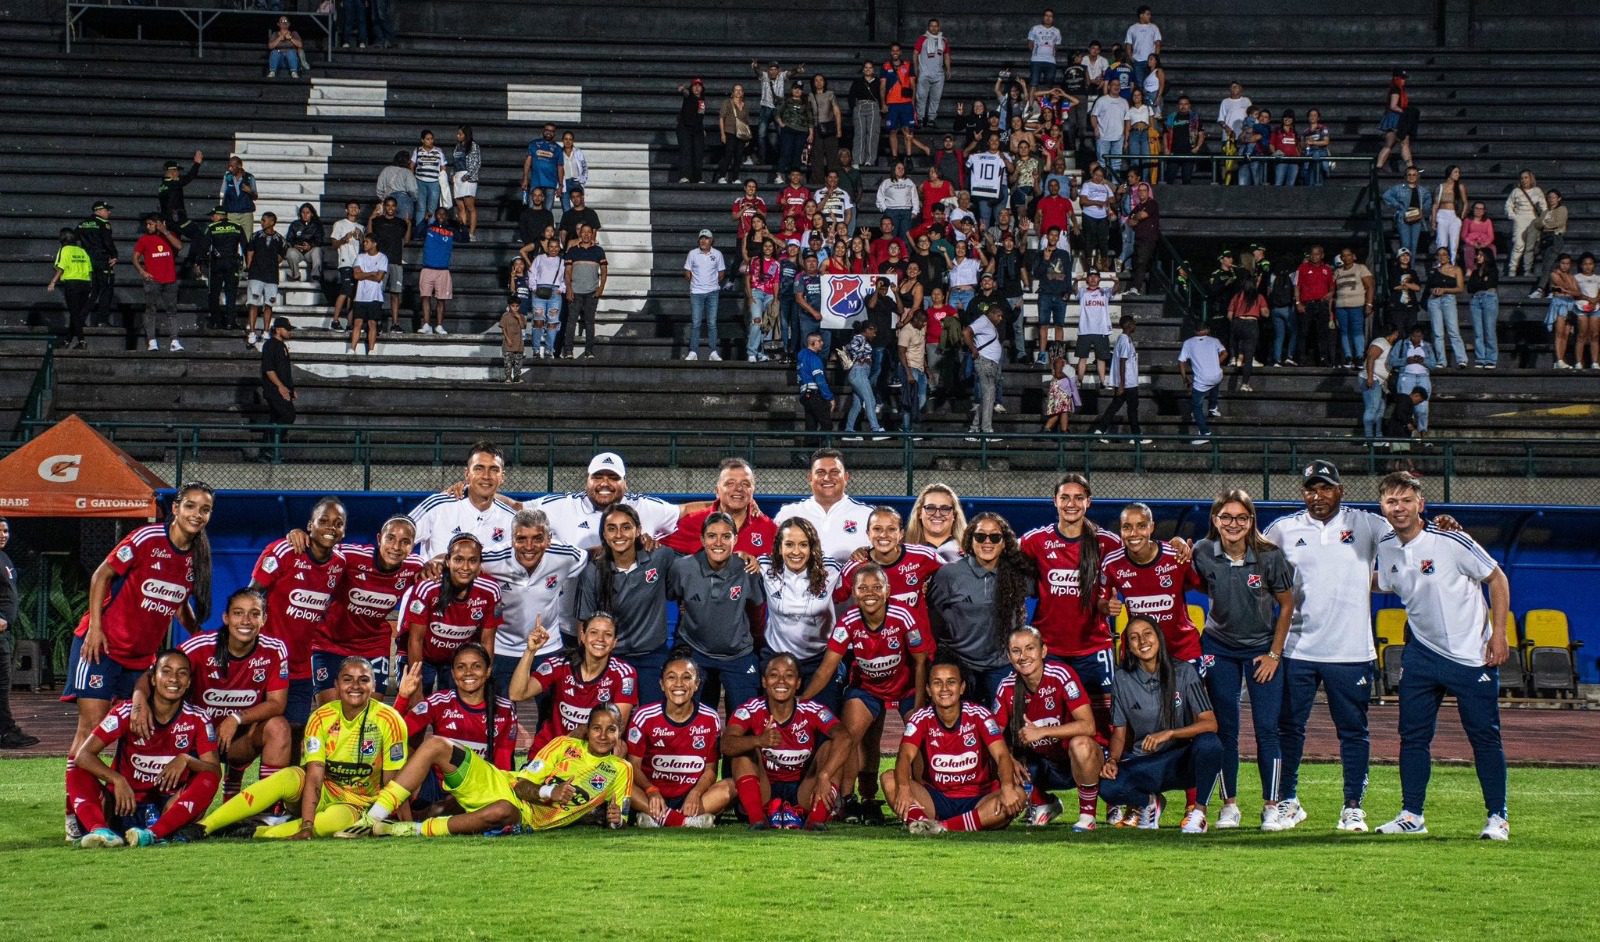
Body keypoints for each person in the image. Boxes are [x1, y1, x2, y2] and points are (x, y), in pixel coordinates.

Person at [62, 482, 215, 842]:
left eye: (204, 509)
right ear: (175, 509)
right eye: (190, 506)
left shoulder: (195, 558)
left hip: (142, 660)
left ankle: (107, 807)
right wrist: (96, 628)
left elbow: (174, 599)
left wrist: (196, 631)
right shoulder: (147, 538)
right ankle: (74, 816)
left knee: (133, 727)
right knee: (91, 730)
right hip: (101, 648)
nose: (196, 514)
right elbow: (102, 575)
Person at [1370, 472, 1512, 839]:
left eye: (1405, 500)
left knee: (1484, 737)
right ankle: (1411, 815)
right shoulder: (1386, 546)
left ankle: (1498, 816)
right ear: (1381, 506)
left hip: (1471, 655)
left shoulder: (1451, 539)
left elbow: (1496, 579)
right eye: (1390, 501)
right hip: (1421, 654)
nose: (1398, 508)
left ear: (1420, 504)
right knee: (1412, 736)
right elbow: (1383, 582)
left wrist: (1500, 633)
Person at [1264, 461, 1390, 832]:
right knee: (1289, 728)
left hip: (1350, 652)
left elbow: (1410, 536)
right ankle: (1288, 801)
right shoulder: (1285, 529)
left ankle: (1353, 806)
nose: (1317, 496)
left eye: (1325, 488)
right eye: (1311, 489)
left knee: (1353, 732)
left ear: (1340, 490)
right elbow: (1245, 555)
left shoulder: (1367, 524)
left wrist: (1443, 524)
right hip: (1297, 649)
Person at [343, 702, 631, 837]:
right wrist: (550, 791)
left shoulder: (620, 769)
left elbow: (621, 817)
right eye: (597, 728)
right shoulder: (562, 745)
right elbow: (520, 784)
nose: (603, 735)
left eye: (611, 729)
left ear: (620, 732)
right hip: (502, 784)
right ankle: (372, 818)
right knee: (435, 745)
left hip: (526, 817)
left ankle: (407, 830)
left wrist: (615, 820)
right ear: (588, 730)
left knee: (502, 811)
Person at [198, 655, 407, 839]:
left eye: (364, 680)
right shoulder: (320, 717)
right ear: (336, 684)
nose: (355, 686)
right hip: (322, 791)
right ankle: (205, 826)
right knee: (289, 775)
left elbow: (392, 782)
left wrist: (397, 819)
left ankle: (255, 832)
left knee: (332, 823)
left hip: (356, 804)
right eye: (347, 679)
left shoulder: (389, 720)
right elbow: (314, 775)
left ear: (373, 686)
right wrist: (307, 824)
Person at [1191, 489, 1295, 830]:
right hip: (1218, 647)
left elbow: (1286, 605)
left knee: (1267, 730)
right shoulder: (1203, 551)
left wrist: (1273, 654)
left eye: (1241, 517)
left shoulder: (1269, 555)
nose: (1233, 524)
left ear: (1251, 520)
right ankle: (1229, 805)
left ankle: (1272, 806)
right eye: (1226, 517)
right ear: (1215, 521)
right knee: (1225, 731)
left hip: (1260, 651)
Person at [801, 564, 931, 822]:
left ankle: (923, 794)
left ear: (887, 591)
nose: (869, 593)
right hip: (868, 689)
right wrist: (802, 701)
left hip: (905, 687)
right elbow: (827, 668)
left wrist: (917, 705)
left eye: (876, 587)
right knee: (848, 736)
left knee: (920, 736)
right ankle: (849, 800)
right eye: (862, 588)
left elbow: (920, 662)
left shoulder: (903, 616)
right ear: (854, 593)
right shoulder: (848, 621)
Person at [69, 649, 220, 847]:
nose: (174, 679)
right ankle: (101, 832)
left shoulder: (198, 718)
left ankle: (153, 834)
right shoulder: (126, 712)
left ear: (189, 682)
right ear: (153, 680)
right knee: (76, 769)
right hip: (122, 805)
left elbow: (214, 770)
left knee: (208, 778)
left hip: (166, 808)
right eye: (166, 671)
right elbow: (84, 755)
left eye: (182, 673)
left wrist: (186, 759)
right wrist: (117, 779)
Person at [1099, 615, 1222, 832]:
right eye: (1134, 637)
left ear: (1159, 637)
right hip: (1146, 762)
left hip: (1181, 760)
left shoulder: (1184, 671)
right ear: (1128, 646)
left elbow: (1210, 723)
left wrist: (1169, 733)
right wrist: (1114, 760)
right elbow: (1119, 732)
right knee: (1106, 786)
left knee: (1210, 744)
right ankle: (1148, 803)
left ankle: (1199, 812)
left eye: (1147, 634)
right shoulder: (1122, 678)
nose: (1142, 641)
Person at [885, 660, 1024, 834]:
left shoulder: (980, 715)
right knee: (889, 779)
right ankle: (927, 823)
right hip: (937, 799)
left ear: (962, 687)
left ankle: (941, 827)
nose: (944, 688)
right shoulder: (920, 718)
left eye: (951, 682)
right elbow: (905, 756)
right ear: (928, 690)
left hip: (979, 799)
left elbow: (1002, 756)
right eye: (937, 683)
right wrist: (904, 790)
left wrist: (1007, 788)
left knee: (1018, 794)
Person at [724, 654, 854, 830]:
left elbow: (845, 738)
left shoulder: (811, 709)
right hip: (764, 789)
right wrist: (758, 740)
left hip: (803, 790)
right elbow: (726, 744)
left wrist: (824, 775)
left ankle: (815, 820)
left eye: (789, 676)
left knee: (833, 747)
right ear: (764, 681)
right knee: (743, 751)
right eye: (774, 675)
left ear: (798, 683)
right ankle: (758, 820)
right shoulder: (750, 709)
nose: (781, 681)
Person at [992, 625, 1099, 829]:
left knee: (1081, 744)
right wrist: (1009, 759)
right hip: (1040, 763)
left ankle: (1088, 816)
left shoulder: (1061, 674)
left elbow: (1089, 726)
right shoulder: (1006, 686)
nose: (1023, 656)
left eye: (1030, 648)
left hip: (1073, 760)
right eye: (1016, 651)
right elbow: (992, 736)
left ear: (1043, 651)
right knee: (998, 758)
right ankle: (1043, 802)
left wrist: (1042, 731)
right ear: (1009, 656)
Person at [926, 512, 1033, 705]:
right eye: (980, 536)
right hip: (960, 662)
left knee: (1010, 724)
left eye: (995, 537)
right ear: (970, 540)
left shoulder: (1019, 574)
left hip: (1001, 664)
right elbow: (931, 614)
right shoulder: (949, 575)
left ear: (1004, 543)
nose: (987, 542)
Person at [315, 515, 424, 700]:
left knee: (370, 714)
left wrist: (438, 563)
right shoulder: (350, 556)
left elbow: (442, 565)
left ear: (413, 545)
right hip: (331, 641)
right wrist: (297, 535)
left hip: (372, 644)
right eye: (390, 538)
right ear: (379, 538)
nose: (396, 547)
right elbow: (317, 550)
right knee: (331, 714)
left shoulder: (415, 567)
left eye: (405, 542)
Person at [667, 512, 767, 713]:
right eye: (712, 536)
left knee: (746, 719)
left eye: (726, 536)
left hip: (738, 654)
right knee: (695, 719)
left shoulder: (747, 569)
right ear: (702, 539)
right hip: (696, 651)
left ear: (735, 540)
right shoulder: (682, 567)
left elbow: (757, 611)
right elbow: (674, 595)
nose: (718, 542)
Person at [627, 656, 736, 827]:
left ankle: (657, 818)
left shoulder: (710, 718)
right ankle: (685, 821)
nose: (679, 684)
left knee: (732, 786)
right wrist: (651, 790)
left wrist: (696, 793)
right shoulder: (644, 716)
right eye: (671, 677)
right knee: (620, 780)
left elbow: (711, 770)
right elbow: (633, 766)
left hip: (690, 797)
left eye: (686, 677)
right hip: (652, 796)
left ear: (697, 684)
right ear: (662, 684)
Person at [509, 613, 636, 751]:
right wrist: (530, 651)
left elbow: (615, 727)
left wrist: (574, 738)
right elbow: (517, 694)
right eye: (593, 632)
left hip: (590, 753)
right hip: (552, 749)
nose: (600, 639)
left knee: (620, 749)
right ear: (583, 636)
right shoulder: (560, 664)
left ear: (614, 642)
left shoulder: (624, 674)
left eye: (608, 634)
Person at [393, 643, 517, 774]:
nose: (468, 672)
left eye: (477, 666)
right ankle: (390, 794)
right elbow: (394, 731)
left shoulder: (505, 709)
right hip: (439, 785)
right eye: (461, 667)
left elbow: (503, 763)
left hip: (480, 785)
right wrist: (403, 697)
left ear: (488, 671)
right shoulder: (439, 702)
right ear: (453, 673)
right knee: (416, 747)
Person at [401, 534, 502, 695]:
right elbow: (416, 639)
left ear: (479, 564)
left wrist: (485, 677)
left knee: (453, 712)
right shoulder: (428, 586)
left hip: (458, 658)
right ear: (448, 561)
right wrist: (416, 687)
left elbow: (487, 640)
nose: (465, 567)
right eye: (459, 559)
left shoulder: (490, 590)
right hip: (423, 656)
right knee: (415, 709)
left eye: (473, 560)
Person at [775, 449, 876, 563]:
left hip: (850, 580)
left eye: (834, 472)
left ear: (846, 477)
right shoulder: (789, 513)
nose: (827, 478)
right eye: (820, 472)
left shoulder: (868, 515)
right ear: (810, 478)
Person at [0, 519, 37, 749]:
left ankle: (6, 730)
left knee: (2, 685)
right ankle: (7, 732)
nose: (3, 534)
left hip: (4, 635)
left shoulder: (4, 557)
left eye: (5, 530)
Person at [132, 215, 183, 353]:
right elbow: (135, 257)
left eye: (151, 224)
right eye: (147, 224)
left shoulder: (169, 236)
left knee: (172, 310)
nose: (148, 227)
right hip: (153, 280)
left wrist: (165, 231)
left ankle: (174, 340)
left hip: (170, 279)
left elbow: (179, 246)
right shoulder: (144, 239)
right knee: (151, 310)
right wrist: (142, 272)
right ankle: (152, 341)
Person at [963, 284, 1006, 441]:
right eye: (999, 316)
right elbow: (966, 331)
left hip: (990, 364)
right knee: (988, 396)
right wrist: (973, 349)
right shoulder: (983, 321)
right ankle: (986, 430)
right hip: (985, 362)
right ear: (992, 313)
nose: (1001, 319)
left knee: (987, 397)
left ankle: (974, 429)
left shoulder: (989, 325)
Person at [1178, 321, 1227, 444]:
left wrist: (1185, 378)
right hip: (1217, 375)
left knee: (1196, 406)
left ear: (1195, 331)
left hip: (1202, 380)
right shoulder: (1215, 340)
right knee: (1215, 380)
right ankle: (1213, 406)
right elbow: (1225, 353)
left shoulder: (1188, 343)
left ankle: (1205, 433)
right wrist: (1215, 363)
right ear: (1208, 330)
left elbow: (1181, 362)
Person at [46, 228, 95, 349]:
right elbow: (89, 270)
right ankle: (67, 341)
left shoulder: (64, 250)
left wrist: (53, 282)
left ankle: (82, 341)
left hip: (72, 284)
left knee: (74, 314)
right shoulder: (82, 251)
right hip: (85, 284)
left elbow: (60, 268)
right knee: (76, 314)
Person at [243, 212, 286, 349]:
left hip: (271, 276)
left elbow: (281, 256)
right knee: (253, 303)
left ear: (272, 221)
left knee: (269, 304)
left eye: (264, 220)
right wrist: (249, 268)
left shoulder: (280, 239)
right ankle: (252, 331)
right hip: (256, 274)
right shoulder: (256, 236)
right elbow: (250, 252)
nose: (262, 222)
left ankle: (266, 331)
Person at [366, 197, 409, 333]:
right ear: (384, 207)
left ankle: (395, 324)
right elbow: (369, 236)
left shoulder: (401, 222)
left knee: (395, 294)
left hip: (396, 261)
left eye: (393, 206)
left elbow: (406, 240)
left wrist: (409, 225)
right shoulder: (377, 221)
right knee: (378, 293)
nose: (390, 208)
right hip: (380, 262)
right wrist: (371, 218)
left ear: (396, 207)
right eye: (388, 206)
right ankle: (376, 322)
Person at [683, 228, 726, 361]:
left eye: (706, 238)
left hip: (713, 292)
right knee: (696, 323)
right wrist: (698, 284)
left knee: (712, 323)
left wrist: (710, 284)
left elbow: (721, 273)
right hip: (696, 292)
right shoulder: (692, 254)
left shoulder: (717, 254)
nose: (703, 240)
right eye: (701, 238)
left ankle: (713, 351)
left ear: (711, 241)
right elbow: (687, 272)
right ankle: (693, 352)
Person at [417, 208, 460, 336]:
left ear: (447, 216)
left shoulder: (451, 230)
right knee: (425, 297)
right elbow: (417, 233)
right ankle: (426, 324)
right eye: (439, 214)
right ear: (435, 216)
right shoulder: (429, 228)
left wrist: (461, 224)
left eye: (443, 214)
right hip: (427, 268)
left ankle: (439, 326)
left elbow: (464, 238)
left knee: (441, 300)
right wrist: (424, 221)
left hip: (443, 270)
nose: (441, 216)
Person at [1331, 247, 1376, 370]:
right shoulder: (1338, 271)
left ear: (1353, 256)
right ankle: (1348, 356)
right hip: (1341, 305)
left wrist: (1369, 303)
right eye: (1343, 256)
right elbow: (1333, 289)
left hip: (1356, 304)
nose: (1346, 258)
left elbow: (1370, 286)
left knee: (1357, 331)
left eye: (1348, 255)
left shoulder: (1360, 268)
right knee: (1344, 331)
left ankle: (1359, 356)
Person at [1424, 245, 1468, 367]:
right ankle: (1441, 360)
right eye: (1439, 255)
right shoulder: (1434, 271)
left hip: (1448, 299)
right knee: (1438, 332)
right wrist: (1434, 290)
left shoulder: (1456, 270)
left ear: (1448, 256)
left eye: (1444, 254)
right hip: (1434, 301)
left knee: (1453, 330)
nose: (1442, 257)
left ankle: (1461, 359)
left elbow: (1460, 288)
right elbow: (1429, 287)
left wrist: (1445, 290)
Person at [1294, 244, 1336, 367]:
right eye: (1312, 254)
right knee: (1304, 332)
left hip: (1321, 304)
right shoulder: (1302, 268)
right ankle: (1301, 358)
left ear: (1322, 255)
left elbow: (1332, 287)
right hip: (1307, 304)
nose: (1314, 257)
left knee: (1322, 332)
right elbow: (1296, 286)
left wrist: (1330, 294)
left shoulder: (1327, 269)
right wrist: (1298, 302)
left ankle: (1323, 358)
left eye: (1317, 254)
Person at [526, 236, 565, 358]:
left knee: (552, 322)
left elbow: (566, 277)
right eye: (551, 247)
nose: (553, 249)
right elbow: (532, 272)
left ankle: (549, 350)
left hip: (555, 292)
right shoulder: (539, 258)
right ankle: (536, 350)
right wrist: (533, 287)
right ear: (547, 248)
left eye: (556, 247)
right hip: (539, 292)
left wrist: (562, 288)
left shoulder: (562, 261)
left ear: (559, 248)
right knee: (538, 321)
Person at [1504, 170, 1545, 278]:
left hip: (1533, 219)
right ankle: (1512, 269)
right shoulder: (1516, 191)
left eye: (1526, 177)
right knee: (1519, 244)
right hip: (1520, 218)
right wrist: (1514, 217)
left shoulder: (1537, 191)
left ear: (1531, 178)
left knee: (1530, 246)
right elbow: (1508, 205)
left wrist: (1541, 220)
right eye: (1522, 178)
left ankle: (1527, 269)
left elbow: (1544, 207)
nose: (1524, 180)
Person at [1383, 167, 1432, 259]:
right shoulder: (1399, 188)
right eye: (1409, 174)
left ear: (1418, 176)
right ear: (1405, 176)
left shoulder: (1422, 190)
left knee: (1413, 245)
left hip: (1416, 218)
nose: (1411, 177)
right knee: (1405, 244)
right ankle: (1402, 267)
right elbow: (1386, 195)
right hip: (1403, 218)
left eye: (1414, 175)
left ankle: (1411, 269)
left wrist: (1423, 209)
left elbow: (1428, 200)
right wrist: (1397, 205)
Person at [1362, 325, 1401, 440]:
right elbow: (1370, 357)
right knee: (1372, 408)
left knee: (1380, 409)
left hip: (1381, 382)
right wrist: (1370, 377)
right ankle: (1369, 438)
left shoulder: (1390, 346)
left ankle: (1378, 437)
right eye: (1396, 334)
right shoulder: (1380, 342)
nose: (1397, 337)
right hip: (1372, 378)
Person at [913, 18, 951, 129]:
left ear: (939, 27)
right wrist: (916, 68)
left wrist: (948, 69)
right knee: (921, 97)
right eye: (931, 26)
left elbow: (947, 55)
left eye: (936, 26)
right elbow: (915, 53)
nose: (934, 28)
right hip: (924, 72)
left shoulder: (943, 40)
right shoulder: (922, 39)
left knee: (935, 98)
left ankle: (931, 119)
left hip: (938, 74)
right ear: (928, 27)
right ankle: (920, 119)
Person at [1466, 248, 1500, 369]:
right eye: (1477, 255)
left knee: (1489, 330)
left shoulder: (1493, 270)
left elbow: (1490, 284)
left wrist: (1479, 284)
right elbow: (1470, 288)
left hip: (1488, 298)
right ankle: (1480, 358)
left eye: (1480, 255)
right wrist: (1481, 282)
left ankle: (1491, 358)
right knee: (1478, 331)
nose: (1478, 257)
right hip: (1475, 300)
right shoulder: (1475, 272)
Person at [1374, 69, 1412, 173]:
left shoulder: (1396, 89)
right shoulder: (1396, 90)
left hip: (1394, 119)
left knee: (1389, 144)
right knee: (1404, 142)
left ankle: (1378, 166)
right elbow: (1393, 106)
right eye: (1402, 78)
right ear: (1397, 78)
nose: (1404, 81)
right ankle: (1410, 167)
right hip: (1396, 119)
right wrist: (1403, 112)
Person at [521, 123, 562, 211]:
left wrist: (561, 185)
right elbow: (528, 162)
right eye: (547, 130)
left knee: (547, 212)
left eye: (552, 131)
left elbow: (560, 167)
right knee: (532, 210)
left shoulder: (558, 148)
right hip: (536, 183)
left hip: (551, 185)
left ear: (554, 133)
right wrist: (525, 178)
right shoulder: (533, 144)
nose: (549, 133)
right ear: (543, 131)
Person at [676, 78, 709, 184]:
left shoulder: (702, 102)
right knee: (686, 152)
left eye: (699, 86)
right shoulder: (689, 96)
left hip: (697, 130)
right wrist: (684, 87)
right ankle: (684, 176)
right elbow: (683, 90)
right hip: (684, 129)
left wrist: (702, 129)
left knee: (698, 154)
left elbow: (700, 117)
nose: (697, 88)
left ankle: (697, 177)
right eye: (694, 85)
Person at [451, 126, 481, 240]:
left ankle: (471, 233)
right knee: (460, 207)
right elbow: (455, 162)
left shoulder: (473, 146)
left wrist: (468, 175)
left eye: (460, 134)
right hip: (458, 176)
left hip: (468, 178)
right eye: (457, 134)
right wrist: (452, 174)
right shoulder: (457, 146)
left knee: (470, 206)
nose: (458, 136)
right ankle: (463, 231)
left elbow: (476, 163)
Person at [1433, 165, 1467, 263]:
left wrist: (1461, 217)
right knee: (1441, 241)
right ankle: (1441, 263)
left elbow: (1465, 202)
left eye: (1458, 172)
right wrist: (1433, 220)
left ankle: (1452, 263)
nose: (1458, 174)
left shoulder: (1460, 187)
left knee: (1454, 243)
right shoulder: (1441, 187)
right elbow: (1435, 205)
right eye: (1455, 172)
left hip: (1454, 215)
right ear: (1450, 173)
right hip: (1442, 214)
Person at [284, 202, 324, 285]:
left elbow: (319, 240)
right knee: (289, 252)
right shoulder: (295, 224)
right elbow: (289, 239)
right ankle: (296, 275)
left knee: (317, 250)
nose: (305, 215)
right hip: (298, 251)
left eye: (308, 213)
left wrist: (310, 246)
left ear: (312, 214)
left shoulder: (317, 225)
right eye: (303, 213)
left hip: (310, 251)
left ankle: (315, 276)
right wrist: (295, 245)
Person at [1027, 9, 1063, 88]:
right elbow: (1030, 45)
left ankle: (1046, 100)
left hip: (1050, 61)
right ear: (1043, 17)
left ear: (1053, 18)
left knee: (1049, 85)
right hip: (1036, 60)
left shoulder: (1057, 31)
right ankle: (1032, 100)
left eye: (1050, 16)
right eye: (1046, 15)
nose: (1048, 18)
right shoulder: (1035, 28)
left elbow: (1056, 46)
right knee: (1034, 83)